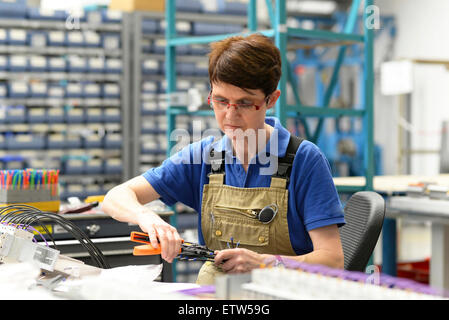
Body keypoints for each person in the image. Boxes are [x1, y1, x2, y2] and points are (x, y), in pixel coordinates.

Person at [102, 33, 345, 285]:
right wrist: (147, 217)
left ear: (271, 100)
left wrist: (268, 263)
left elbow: (333, 260)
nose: (230, 115)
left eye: (244, 103)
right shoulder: (205, 157)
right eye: (220, 100)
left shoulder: (303, 160)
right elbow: (115, 198)